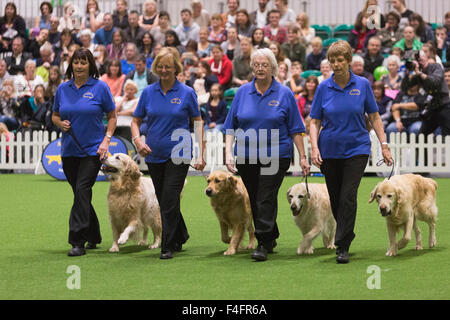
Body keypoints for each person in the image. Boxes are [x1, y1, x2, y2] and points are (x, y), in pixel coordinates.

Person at [309, 40, 392, 264]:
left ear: (349, 60)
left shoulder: (363, 84)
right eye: (332, 60)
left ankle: (342, 244)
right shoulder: (323, 87)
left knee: (348, 196)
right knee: (336, 199)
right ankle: (346, 233)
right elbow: (315, 121)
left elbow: (374, 116)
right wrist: (314, 147)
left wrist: (384, 145)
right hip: (329, 150)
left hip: (357, 148)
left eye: (340, 60)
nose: (336, 64)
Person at [223, 47, 310, 262]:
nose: (260, 68)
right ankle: (271, 235)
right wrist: (228, 153)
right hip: (245, 155)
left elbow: (296, 129)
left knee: (265, 196)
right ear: (252, 67)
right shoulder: (242, 93)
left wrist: (303, 156)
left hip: (276, 154)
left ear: (273, 68)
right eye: (256, 65)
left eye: (265, 65)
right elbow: (229, 127)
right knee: (255, 198)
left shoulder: (285, 94)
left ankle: (262, 243)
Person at [130, 47, 205, 259]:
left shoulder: (187, 92)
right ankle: (180, 233)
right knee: (164, 200)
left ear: (176, 69)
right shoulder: (148, 93)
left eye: (168, 67)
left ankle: (168, 244)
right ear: (155, 68)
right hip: (154, 153)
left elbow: (197, 122)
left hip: (180, 152)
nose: (164, 70)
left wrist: (201, 154)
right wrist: (137, 141)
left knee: (170, 197)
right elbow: (136, 121)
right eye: (160, 67)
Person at [51, 48, 117, 257]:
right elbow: (54, 115)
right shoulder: (63, 89)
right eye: (76, 62)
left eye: (83, 62)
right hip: (69, 150)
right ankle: (94, 235)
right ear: (71, 65)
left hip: (93, 150)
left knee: (81, 189)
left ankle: (77, 240)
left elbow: (112, 116)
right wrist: (60, 123)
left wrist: (106, 141)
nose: (79, 66)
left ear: (90, 65)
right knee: (80, 194)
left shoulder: (100, 88)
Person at [402, 50, 450, 137]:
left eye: (420, 60)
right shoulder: (417, 73)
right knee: (421, 137)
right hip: (431, 108)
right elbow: (405, 87)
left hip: (443, 106)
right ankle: (420, 150)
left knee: (447, 135)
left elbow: (434, 82)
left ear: (425, 59)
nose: (419, 62)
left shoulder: (436, 67)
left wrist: (420, 73)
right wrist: (408, 74)